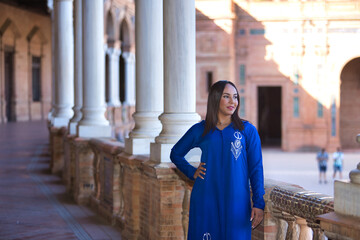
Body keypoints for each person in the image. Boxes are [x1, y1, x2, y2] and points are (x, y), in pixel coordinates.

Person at [170, 80, 265, 240]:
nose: (232, 102)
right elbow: (176, 153)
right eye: (226, 97)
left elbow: (256, 168)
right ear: (215, 99)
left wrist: (258, 203)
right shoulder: (201, 129)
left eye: (235, 97)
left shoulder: (247, 130)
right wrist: (192, 172)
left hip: (237, 201)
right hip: (206, 197)